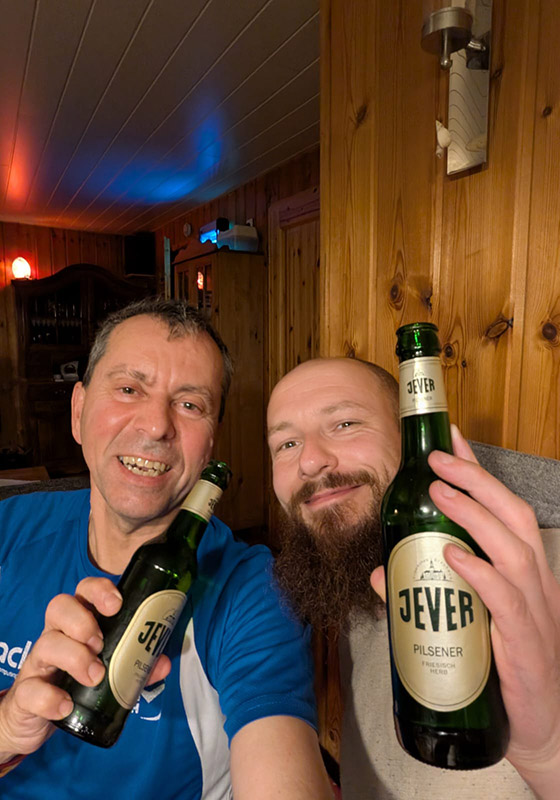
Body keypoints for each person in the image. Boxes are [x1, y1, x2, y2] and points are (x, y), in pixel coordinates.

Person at [0, 298, 333, 799]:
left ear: (211, 443)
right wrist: (7, 727)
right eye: (129, 388)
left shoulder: (253, 591)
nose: (157, 425)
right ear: (78, 411)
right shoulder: (8, 530)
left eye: (190, 404)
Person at [267, 355, 560, 799]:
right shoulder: (357, 592)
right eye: (286, 444)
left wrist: (558, 746)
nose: (310, 461)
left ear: (411, 436)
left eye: (345, 424)